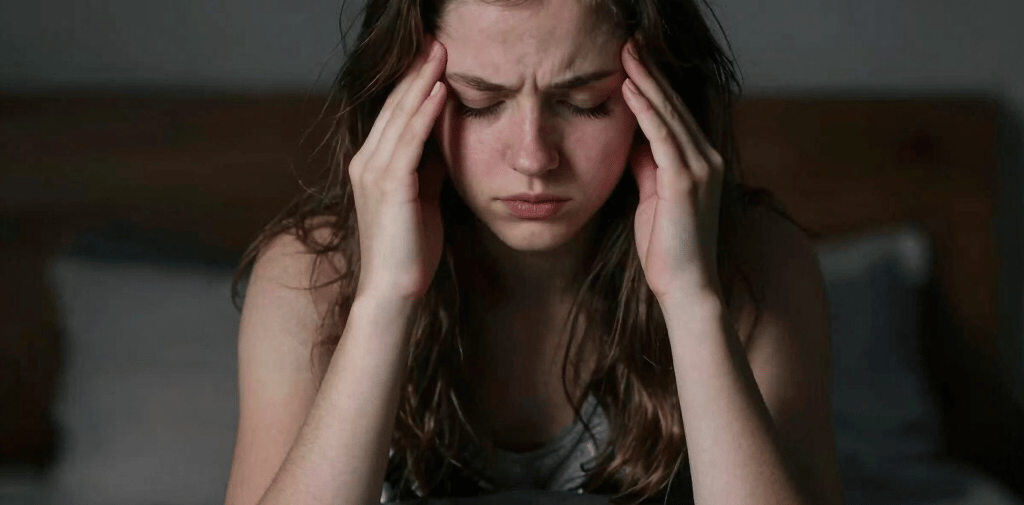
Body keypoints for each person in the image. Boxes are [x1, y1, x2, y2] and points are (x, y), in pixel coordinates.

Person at [223, 0, 844, 504]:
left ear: (660, 100)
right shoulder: (310, 277)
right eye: (477, 103)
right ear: (404, 104)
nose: (533, 157)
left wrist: (691, 298)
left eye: (585, 102)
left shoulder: (759, 262)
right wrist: (384, 300)